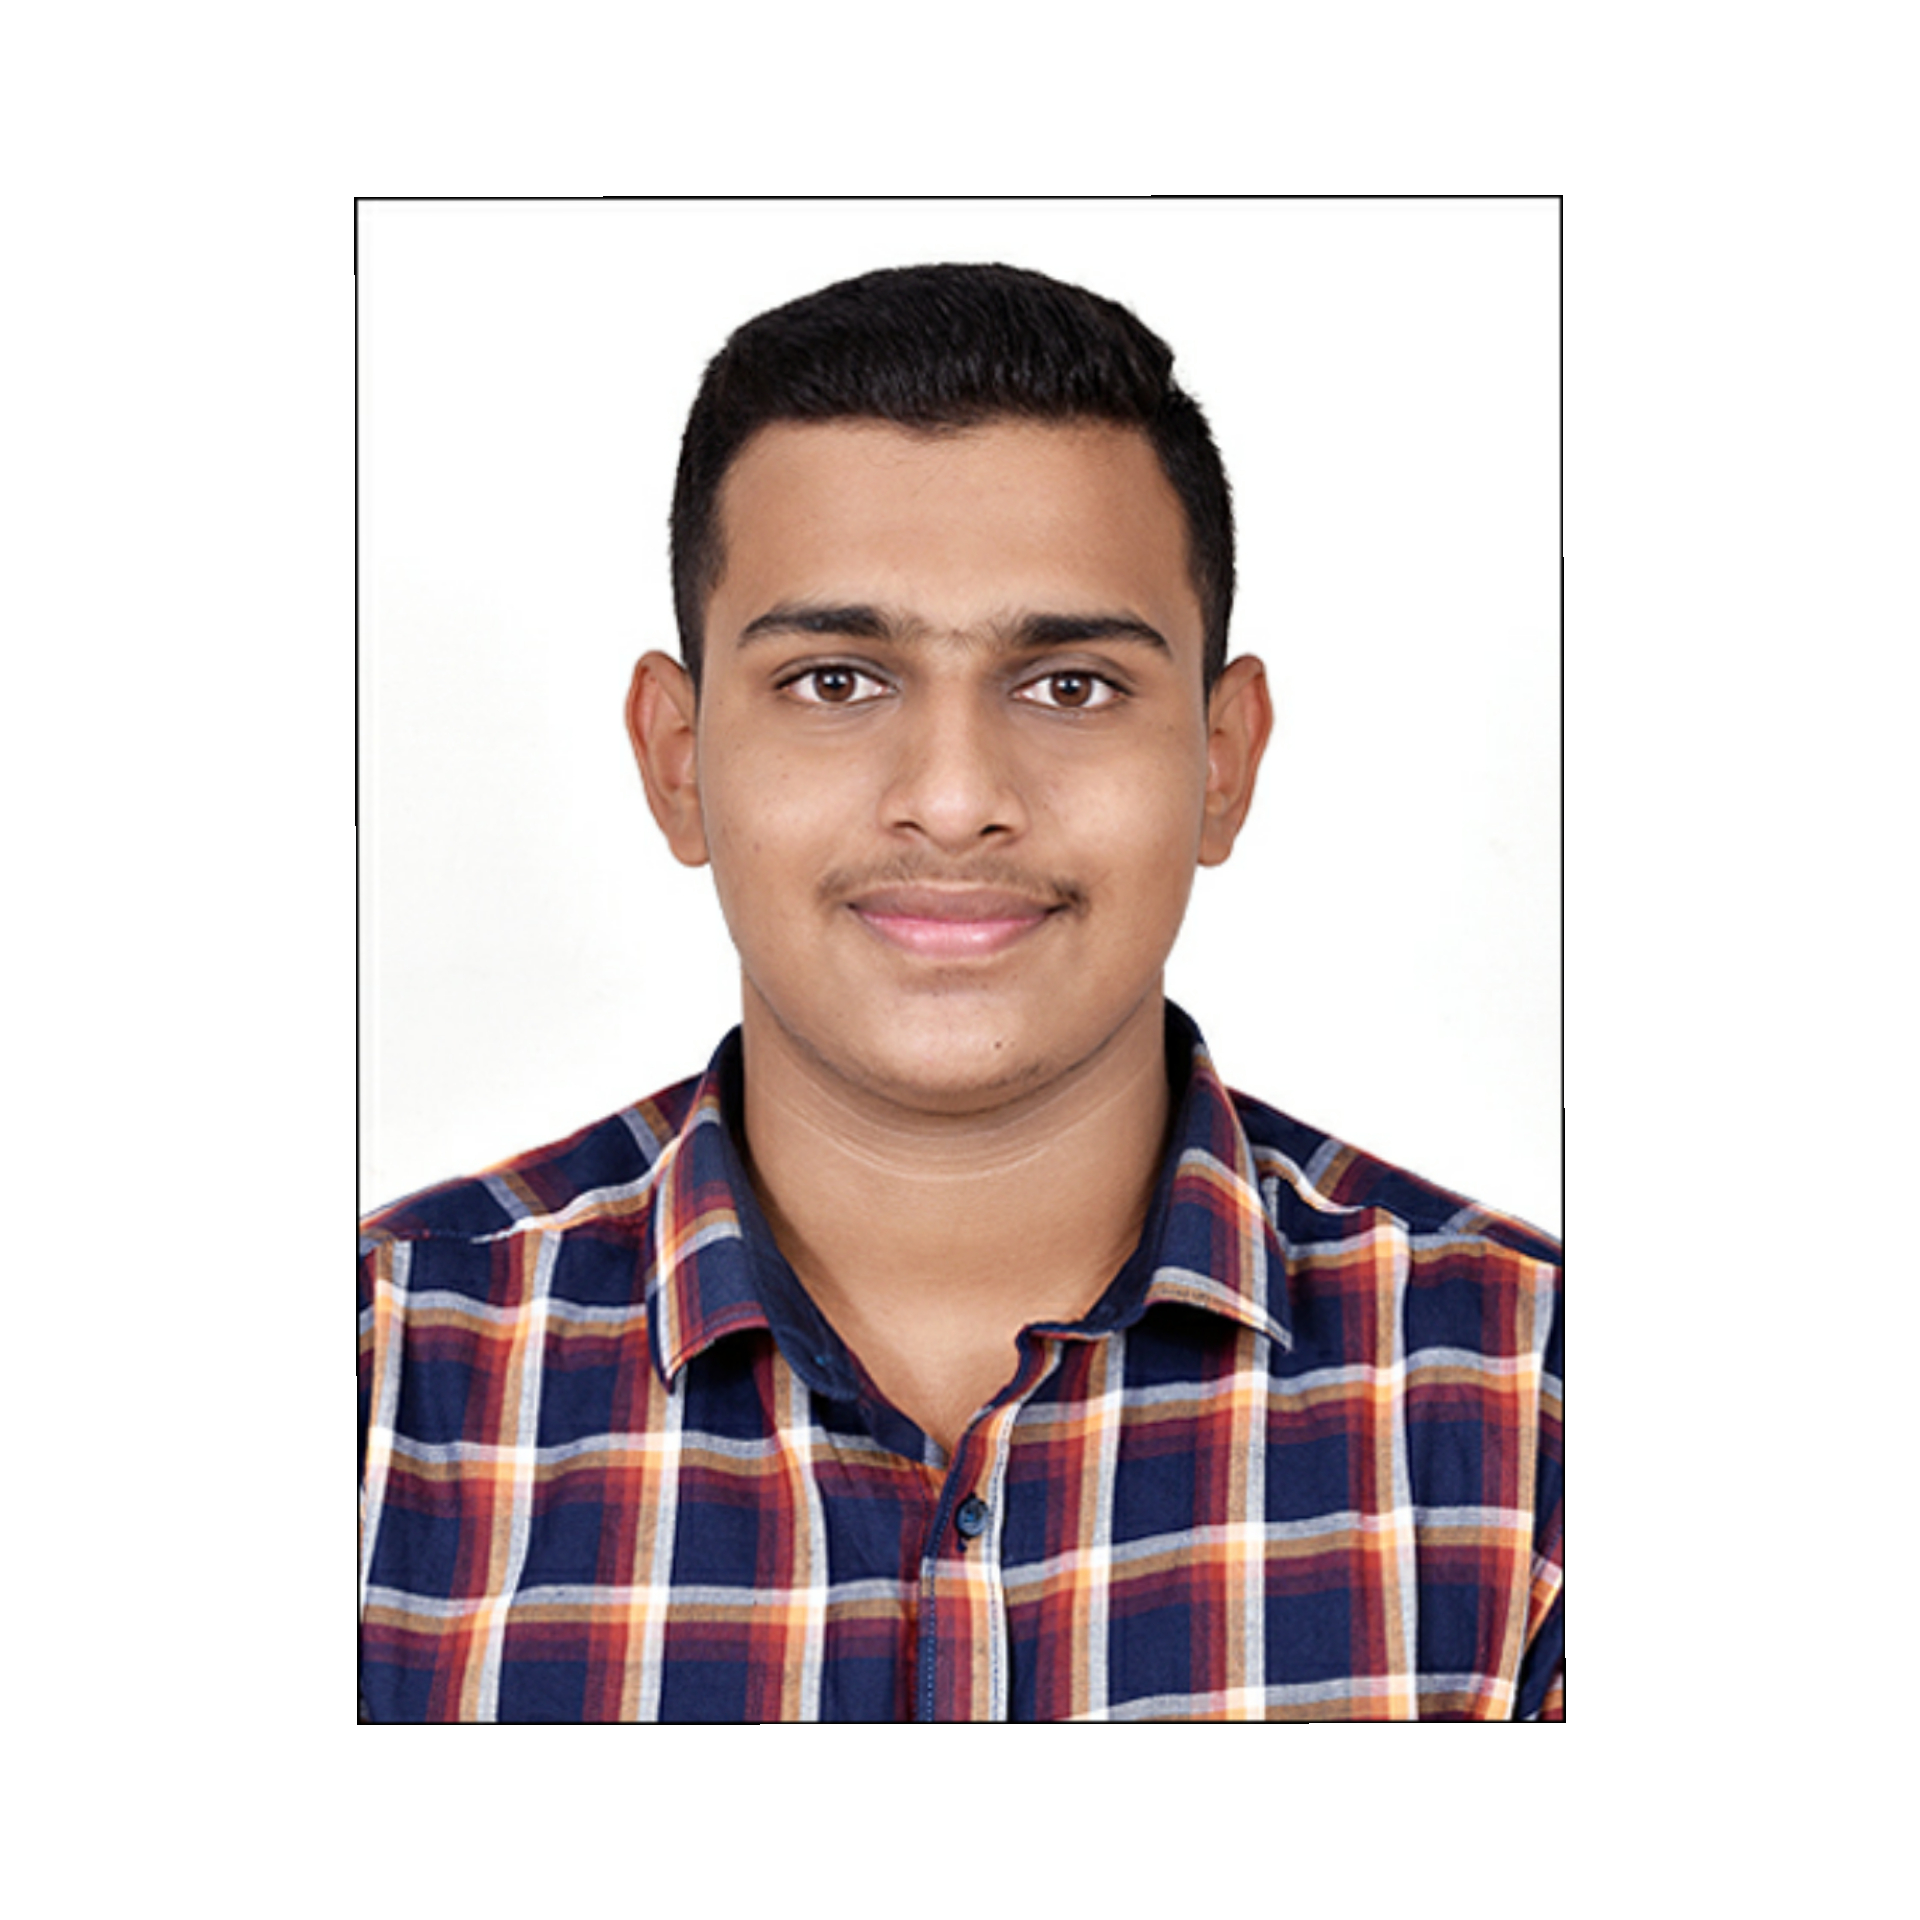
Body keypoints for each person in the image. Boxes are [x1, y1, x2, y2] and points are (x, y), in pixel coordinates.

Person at [357, 262, 1564, 1722]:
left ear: (1222, 761)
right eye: (835, 681)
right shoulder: (373, 1382)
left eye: (1069, 685)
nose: (951, 797)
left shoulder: (1537, 1404)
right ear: (679, 761)